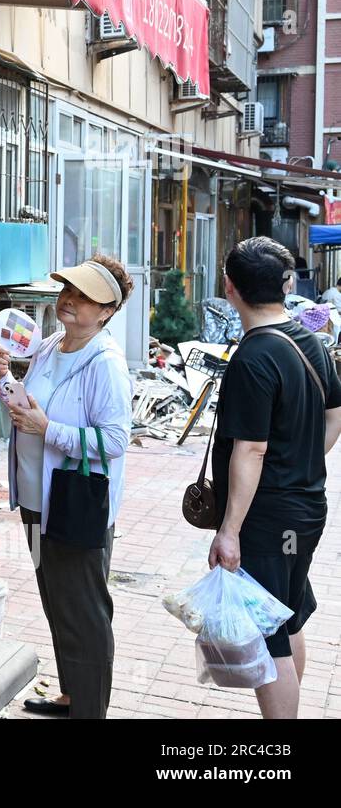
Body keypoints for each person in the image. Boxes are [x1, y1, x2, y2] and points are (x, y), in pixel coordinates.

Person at [0, 254, 133, 719]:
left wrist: (47, 429)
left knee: (85, 613)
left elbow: (114, 441)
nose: (69, 300)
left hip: (75, 506)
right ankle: (72, 695)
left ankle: (89, 710)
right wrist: (4, 379)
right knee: (57, 602)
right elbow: (30, 405)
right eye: (67, 290)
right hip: (36, 503)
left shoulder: (105, 363)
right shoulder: (52, 344)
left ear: (107, 310)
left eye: (84, 296)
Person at [210, 236, 341, 719]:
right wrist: (303, 460)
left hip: (269, 519)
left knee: (269, 638)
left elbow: (251, 448)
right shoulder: (309, 341)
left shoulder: (254, 357)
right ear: (286, 284)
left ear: (230, 286)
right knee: (286, 616)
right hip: (306, 509)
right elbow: (336, 413)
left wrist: (229, 530)